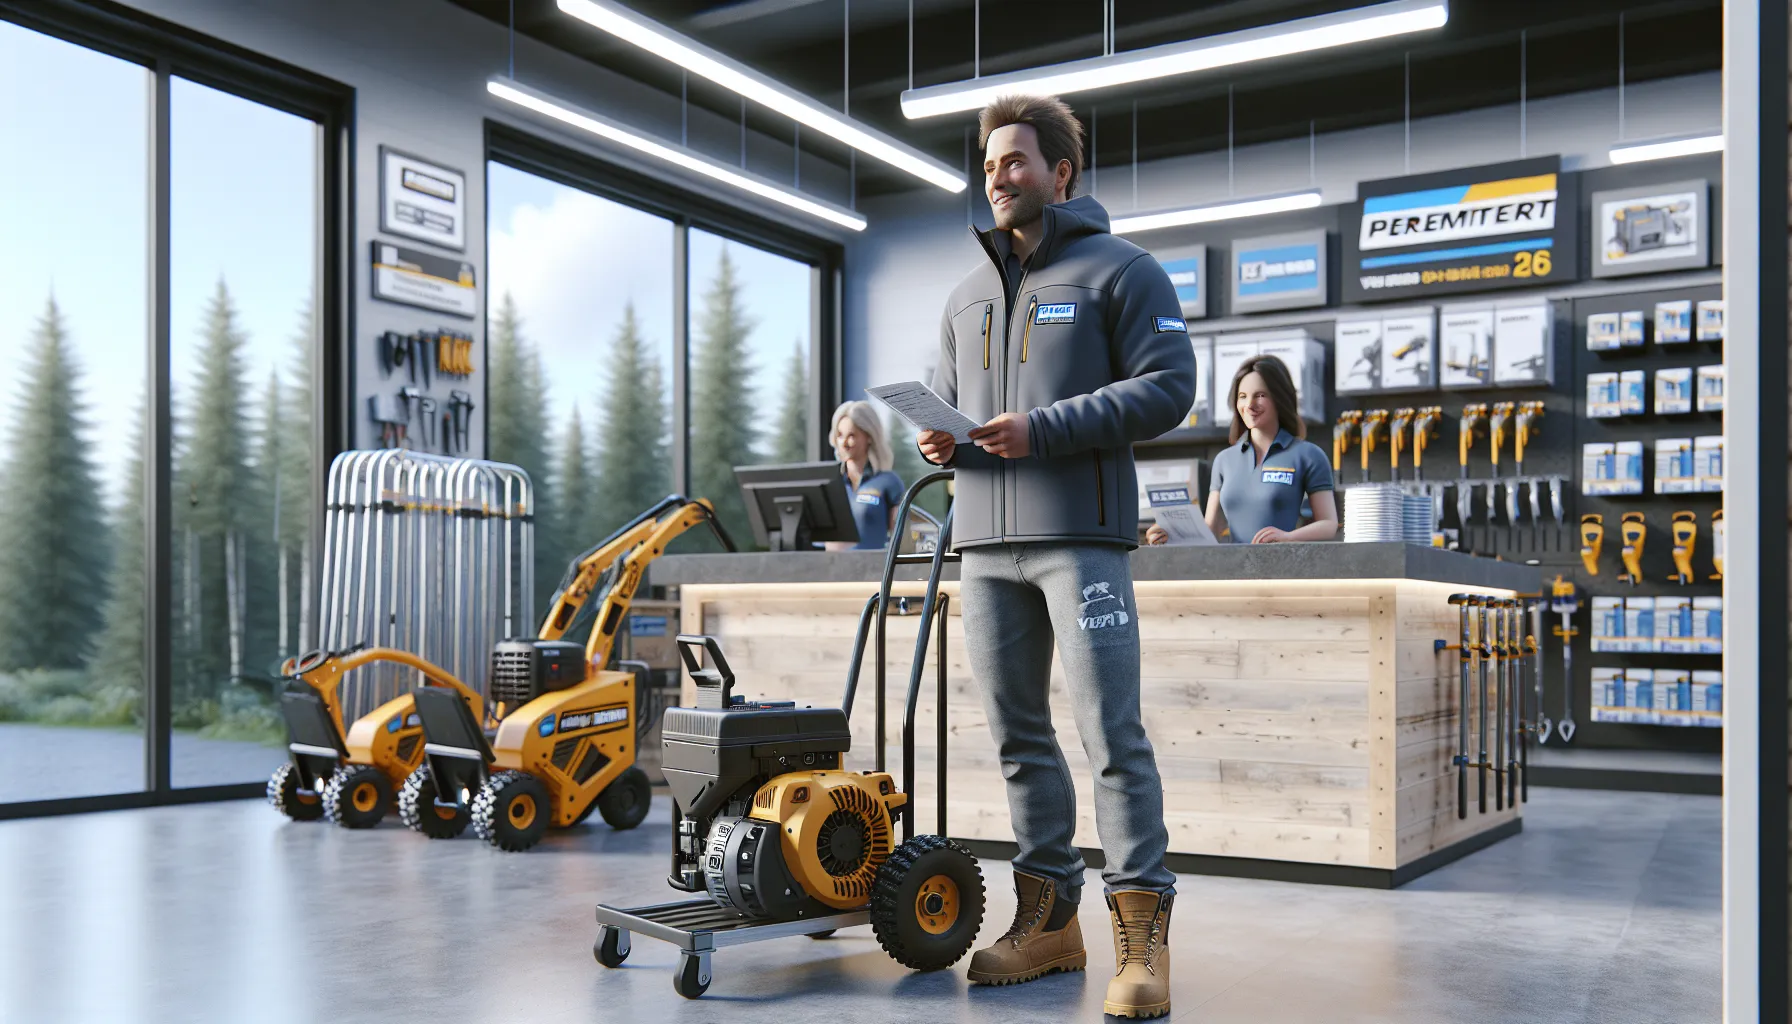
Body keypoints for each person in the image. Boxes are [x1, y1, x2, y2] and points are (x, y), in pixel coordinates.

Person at [916, 93, 1194, 1019]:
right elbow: (950, 400)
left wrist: (1044, 428)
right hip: (984, 547)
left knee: (1113, 738)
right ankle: (1048, 923)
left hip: (1083, 542)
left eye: (1016, 161)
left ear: (1061, 172)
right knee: (1018, 740)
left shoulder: (1124, 272)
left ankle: (1141, 941)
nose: (998, 175)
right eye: (990, 163)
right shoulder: (964, 296)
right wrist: (942, 441)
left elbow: (1169, 389)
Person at [1146, 355, 1338, 546]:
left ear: (1279, 398)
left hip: (1285, 570)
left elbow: (1329, 524)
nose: (1249, 405)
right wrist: (1170, 536)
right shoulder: (1224, 460)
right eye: (1242, 397)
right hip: (1234, 572)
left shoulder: (1308, 456)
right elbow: (1211, 531)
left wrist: (1287, 538)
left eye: (1260, 395)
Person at [823, 400, 903, 551]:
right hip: (833, 571)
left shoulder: (888, 482)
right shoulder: (829, 483)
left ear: (869, 436)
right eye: (840, 435)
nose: (844, 443)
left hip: (874, 571)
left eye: (851, 435)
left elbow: (900, 541)